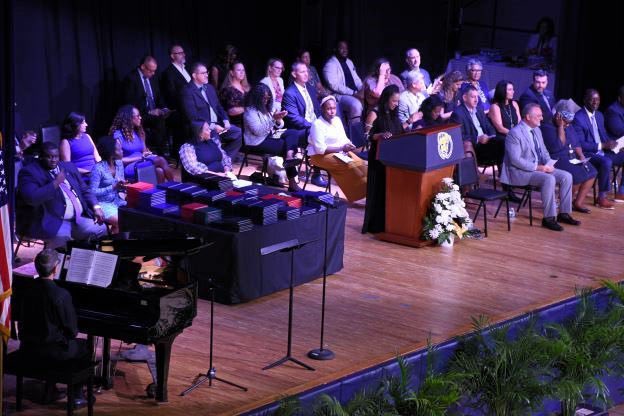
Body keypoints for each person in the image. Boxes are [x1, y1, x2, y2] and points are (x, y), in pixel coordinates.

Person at [16, 248, 91, 409]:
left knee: (54, 342)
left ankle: (50, 389)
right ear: (56, 269)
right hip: (52, 353)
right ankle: (77, 396)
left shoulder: (26, 291)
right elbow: (72, 331)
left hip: (28, 348)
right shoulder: (61, 294)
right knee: (83, 347)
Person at [499, 103, 578, 231]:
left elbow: (544, 151)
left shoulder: (536, 130)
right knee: (549, 179)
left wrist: (548, 163)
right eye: (539, 116)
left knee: (566, 176)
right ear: (528, 117)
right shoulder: (514, 134)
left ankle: (564, 213)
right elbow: (515, 160)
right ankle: (549, 218)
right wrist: (539, 168)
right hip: (518, 172)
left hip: (537, 168)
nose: (542, 118)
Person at [17, 142, 107, 249]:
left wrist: (96, 207)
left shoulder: (68, 167)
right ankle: (57, 262)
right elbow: (32, 198)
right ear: (40, 157)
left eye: (56, 156)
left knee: (101, 229)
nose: (53, 159)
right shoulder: (29, 172)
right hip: (52, 221)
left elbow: (84, 189)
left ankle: (87, 261)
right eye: (49, 157)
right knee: (62, 243)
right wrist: (55, 183)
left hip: (78, 218)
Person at [243, 83, 303, 191]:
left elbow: (280, 125)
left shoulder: (265, 108)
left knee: (293, 132)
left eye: (268, 98)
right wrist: (273, 119)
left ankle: (289, 157)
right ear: (257, 97)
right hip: (256, 142)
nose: (266, 100)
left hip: (268, 137)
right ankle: (292, 182)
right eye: (264, 98)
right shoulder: (249, 111)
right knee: (286, 145)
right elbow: (258, 131)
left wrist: (278, 120)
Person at [308, 95, 368, 202]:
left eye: (334, 108)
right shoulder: (317, 124)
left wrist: (349, 145)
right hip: (319, 156)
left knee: (362, 165)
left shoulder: (337, 120)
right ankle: (357, 194)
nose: (332, 111)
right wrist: (341, 148)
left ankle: (364, 192)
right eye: (329, 109)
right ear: (322, 109)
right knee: (349, 165)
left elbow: (343, 138)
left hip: (339, 151)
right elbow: (320, 149)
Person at [362, 85, 404, 234]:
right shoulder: (374, 113)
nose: (396, 104)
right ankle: (375, 225)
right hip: (378, 159)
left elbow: (400, 133)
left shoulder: (394, 115)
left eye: (398, 101)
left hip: (393, 159)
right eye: (394, 101)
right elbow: (366, 136)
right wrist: (379, 136)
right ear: (386, 99)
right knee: (378, 191)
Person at [180, 62, 243, 161]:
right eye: (203, 73)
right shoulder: (187, 91)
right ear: (194, 75)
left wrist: (226, 120)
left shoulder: (209, 88)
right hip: (202, 128)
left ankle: (226, 160)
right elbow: (192, 117)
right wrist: (212, 126)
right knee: (214, 138)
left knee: (239, 133)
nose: (206, 75)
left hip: (218, 125)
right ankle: (219, 161)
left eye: (207, 72)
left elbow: (218, 107)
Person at [573, 89, 624, 206]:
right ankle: (602, 197)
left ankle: (622, 191)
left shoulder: (599, 115)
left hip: (602, 151)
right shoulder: (579, 118)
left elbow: (603, 135)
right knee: (606, 161)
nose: (596, 102)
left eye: (598, 99)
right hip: (586, 153)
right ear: (585, 100)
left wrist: (614, 145)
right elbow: (580, 144)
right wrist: (602, 145)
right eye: (592, 99)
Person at [541, 107, 597, 214]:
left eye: (569, 123)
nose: (568, 125)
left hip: (571, 156)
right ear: (558, 117)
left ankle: (578, 203)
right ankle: (564, 202)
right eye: (566, 123)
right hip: (557, 158)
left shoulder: (569, 126)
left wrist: (581, 156)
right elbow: (558, 146)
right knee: (577, 176)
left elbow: (576, 143)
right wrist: (561, 126)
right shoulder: (547, 127)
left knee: (592, 171)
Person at [282, 61, 327, 188]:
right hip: (298, 130)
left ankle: (331, 166)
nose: (306, 74)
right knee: (316, 133)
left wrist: (323, 122)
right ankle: (317, 174)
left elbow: (317, 110)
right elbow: (293, 117)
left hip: (312, 126)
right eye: (302, 72)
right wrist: (313, 125)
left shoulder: (311, 90)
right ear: (294, 74)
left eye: (307, 71)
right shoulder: (290, 93)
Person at [109, 105, 174, 183]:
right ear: (129, 118)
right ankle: (173, 187)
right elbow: (118, 160)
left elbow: (144, 152)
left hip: (142, 162)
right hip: (128, 167)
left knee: (159, 171)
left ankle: (159, 194)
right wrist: (140, 158)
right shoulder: (118, 135)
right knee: (161, 160)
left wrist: (147, 154)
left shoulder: (139, 132)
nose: (140, 118)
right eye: (138, 116)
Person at [122, 55, 170, 156]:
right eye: (150, 71)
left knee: (169, 116)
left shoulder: (153, 78)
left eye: (154, 71)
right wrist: (149, 112)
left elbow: (158, 96)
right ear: (143, 67)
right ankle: (160, 154)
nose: (153, 73)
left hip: (154, 112)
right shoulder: (131, 79)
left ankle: (169, 150)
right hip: (140, 114)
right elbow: (129, 102)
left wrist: (164, 108)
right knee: (158, 121)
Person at [450, 85, 502, 165]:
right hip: (475, 145)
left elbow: (489, 127)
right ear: (464, 98)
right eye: (473, 97)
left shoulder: (479, 110)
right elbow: (459, 136)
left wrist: (491, 136)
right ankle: (476, 174)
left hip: (487, 142)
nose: (476, 100)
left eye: (477, 97)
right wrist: (478, 139)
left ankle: (504, 174)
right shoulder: (458, 113)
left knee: (503, 141)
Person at [89, 136, 127, 234]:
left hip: (117, 200)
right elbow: (92, 192)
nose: (122, 151)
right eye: (119, 149)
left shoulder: (119, 164)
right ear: (112, 153)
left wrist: (123, 188)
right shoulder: (98, 169)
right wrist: (113, 187)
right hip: (103, 204)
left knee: (133, 217)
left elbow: (120, 186)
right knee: (123, 222)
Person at [160, 44, 192, 158]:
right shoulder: (169, 73)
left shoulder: (186, 69)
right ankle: (183, 154)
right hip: (179, 109)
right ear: (172, 56)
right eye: (180, 53)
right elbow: (171, 95)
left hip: (191, 106)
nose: (183, 55)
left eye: (183, 52)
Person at [322, 41, 364, 122]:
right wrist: (353, 93)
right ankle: (355, 132)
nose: (344, 50)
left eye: (346, 48)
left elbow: (356, 79)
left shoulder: (349, 62)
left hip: (354, 92)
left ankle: (368, 131)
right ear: (335, 49)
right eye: (342, 48)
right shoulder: (330, 64)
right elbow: (334, 85)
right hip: (339, 95)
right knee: (356, 105)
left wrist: (362, 89)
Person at [219, 61, 250, 129]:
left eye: (243, 70)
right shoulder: (227, 90)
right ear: (232, 73)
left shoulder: (247, 88)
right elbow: (231, 111)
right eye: (239, 70)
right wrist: (248, 108)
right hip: (236, 126)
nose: (242, 72)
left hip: (249, 124)